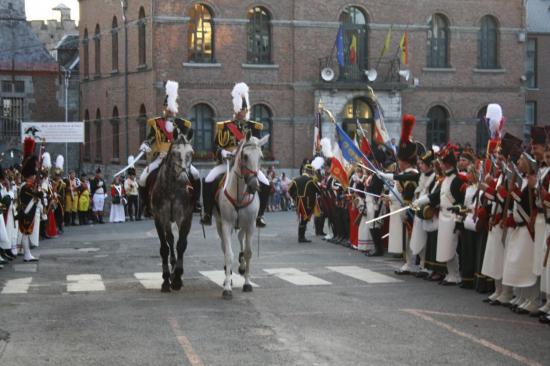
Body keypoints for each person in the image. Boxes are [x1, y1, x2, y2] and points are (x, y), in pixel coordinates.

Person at [201, 82, 270, 227]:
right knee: (208, 180)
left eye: (243, 109)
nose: (241, 112)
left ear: (247, 110)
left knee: (266, 183)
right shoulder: (225, 127)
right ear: (235, 109)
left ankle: (260, 215)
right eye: (239, 109)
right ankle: (207, 213)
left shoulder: (254, 127)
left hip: (247, 165)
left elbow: (257, 147)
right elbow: (215, 146)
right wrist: (223, 152)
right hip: (227, 163)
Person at [138, 80, 199, 217]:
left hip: (178, 159)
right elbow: (151, 138)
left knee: (195, 174)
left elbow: (185, 140)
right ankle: (147, 206)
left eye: (171, 107)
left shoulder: (182, 124)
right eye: (167, 107)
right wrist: (146, 144)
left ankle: (195, 203)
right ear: (164, 108)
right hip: (160, 158)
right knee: (142, 178)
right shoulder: (157, 123)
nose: (169, 110)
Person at [380, 115, 420, 275]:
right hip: (403, 209)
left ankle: (414, 263)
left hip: (411, 210)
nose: (399, 164)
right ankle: (408, 262)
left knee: (412, 239)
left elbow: (408, 194)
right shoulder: (406, 173)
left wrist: (404, 209)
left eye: (401, 161)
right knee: (407, 239)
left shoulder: (412, 173)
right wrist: (390, 198)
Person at [17, 137, 41, 262]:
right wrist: (37, 194)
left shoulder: (28, 185)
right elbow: (30, 199)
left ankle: (27, 253)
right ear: (29, 176)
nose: (33, 177)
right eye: (32, 176)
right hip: (26, 212)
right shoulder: (25, 187)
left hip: (28, 211)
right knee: (25, 232)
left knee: (26, 232)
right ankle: (26, 254)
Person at [288, 164, 321, 243]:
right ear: (310, 172)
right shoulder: (311, 180)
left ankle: (301, 236)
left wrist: (295, 198)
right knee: (304, 219)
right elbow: (319, 190)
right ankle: (301, 237)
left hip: (299, 202)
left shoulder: (295, 179)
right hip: (307, 202)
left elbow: (289, 190)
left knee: (302, 219)